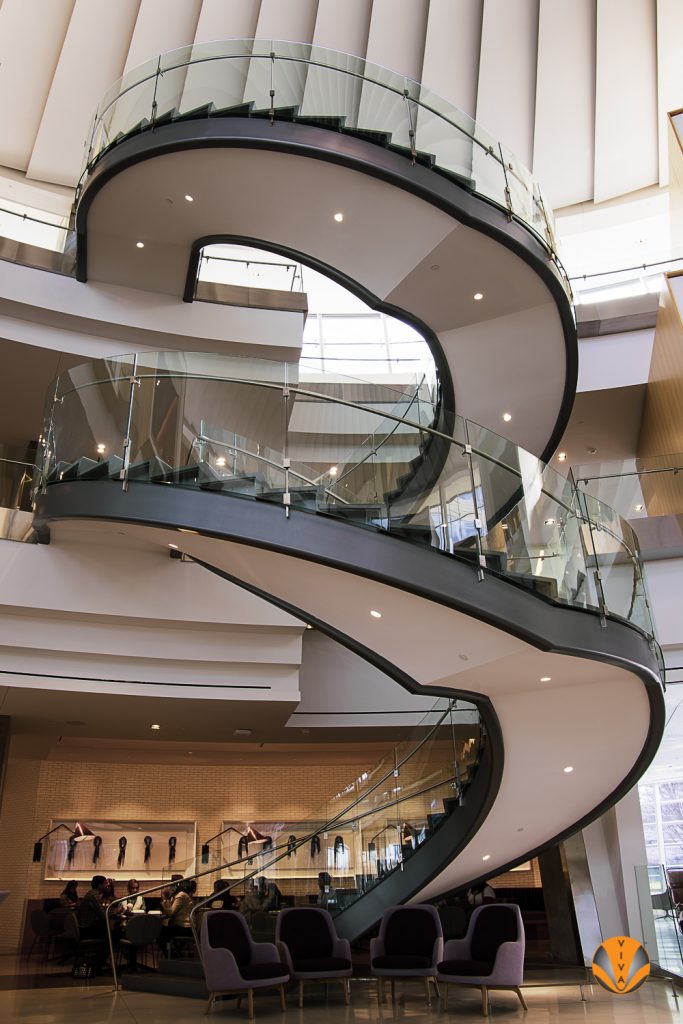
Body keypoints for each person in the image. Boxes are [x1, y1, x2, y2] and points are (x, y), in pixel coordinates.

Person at [160, 879, 196, 955]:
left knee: (161, 934)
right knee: (162, 932)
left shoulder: (181, 895)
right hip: (185, 927)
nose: (170, 889)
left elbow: (170, 913)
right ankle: (171, 954)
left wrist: (165, 898)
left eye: (171, 886)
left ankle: (171, 955)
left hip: (185, 928)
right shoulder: (181, 895)